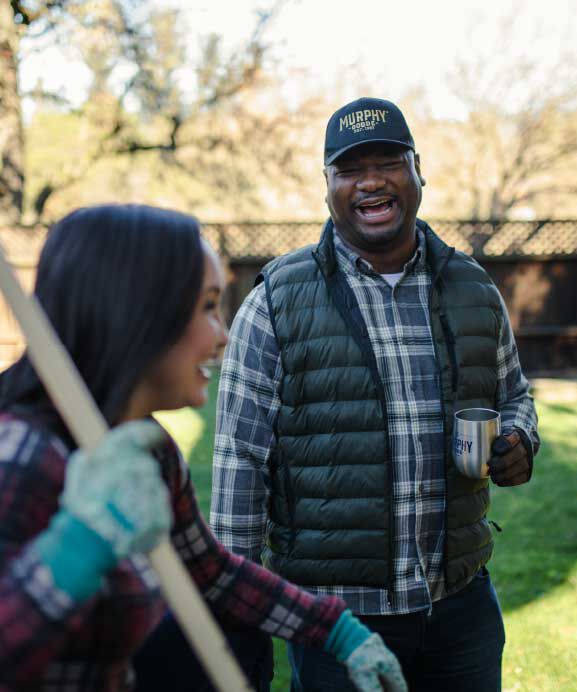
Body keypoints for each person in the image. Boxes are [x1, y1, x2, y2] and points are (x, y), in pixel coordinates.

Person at [0, 204, 407, 692]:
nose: (224, 335)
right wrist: (76, 550)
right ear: (142, 315)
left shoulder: (144, 450)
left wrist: (334, 629)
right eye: (208, 306)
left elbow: (210, 572)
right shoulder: (22, 458)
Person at [210, 97, 540, 692]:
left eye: (387, 162)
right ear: (327, 185)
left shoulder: (474, 286)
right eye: (349, 170)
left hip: (462, 606)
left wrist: (521, 438)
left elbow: (515, 393)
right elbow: (239, 463)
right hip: (336, 621)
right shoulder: (274, 302)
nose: (370, 182)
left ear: (418, 170)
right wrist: (236, 615)